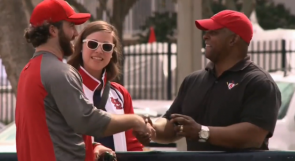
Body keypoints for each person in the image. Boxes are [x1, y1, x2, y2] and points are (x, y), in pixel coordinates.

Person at [15, 0, 153, 161]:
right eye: (71, 26)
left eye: (107, 47)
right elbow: (87, 120)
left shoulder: (29, 71)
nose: (75, 34)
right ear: (53, 30)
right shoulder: (60, 72)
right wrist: (135, 120)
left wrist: (93, 147)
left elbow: (57, 132)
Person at [136, 10, 281, 151]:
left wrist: (202, 132)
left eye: (213, 32)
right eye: (206, 32)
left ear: (233, 39)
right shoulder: (193, 80)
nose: (205, 37)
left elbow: (253, 136)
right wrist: (151, 129)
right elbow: (172, 123)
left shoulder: (259, 82)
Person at [67, 20, 144, 154]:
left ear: (112, 52)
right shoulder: (67, 87)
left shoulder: (120, 93)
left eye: (106, 47)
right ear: (80, 47)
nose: (99, 51)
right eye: (92, 44)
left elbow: (132, 145)